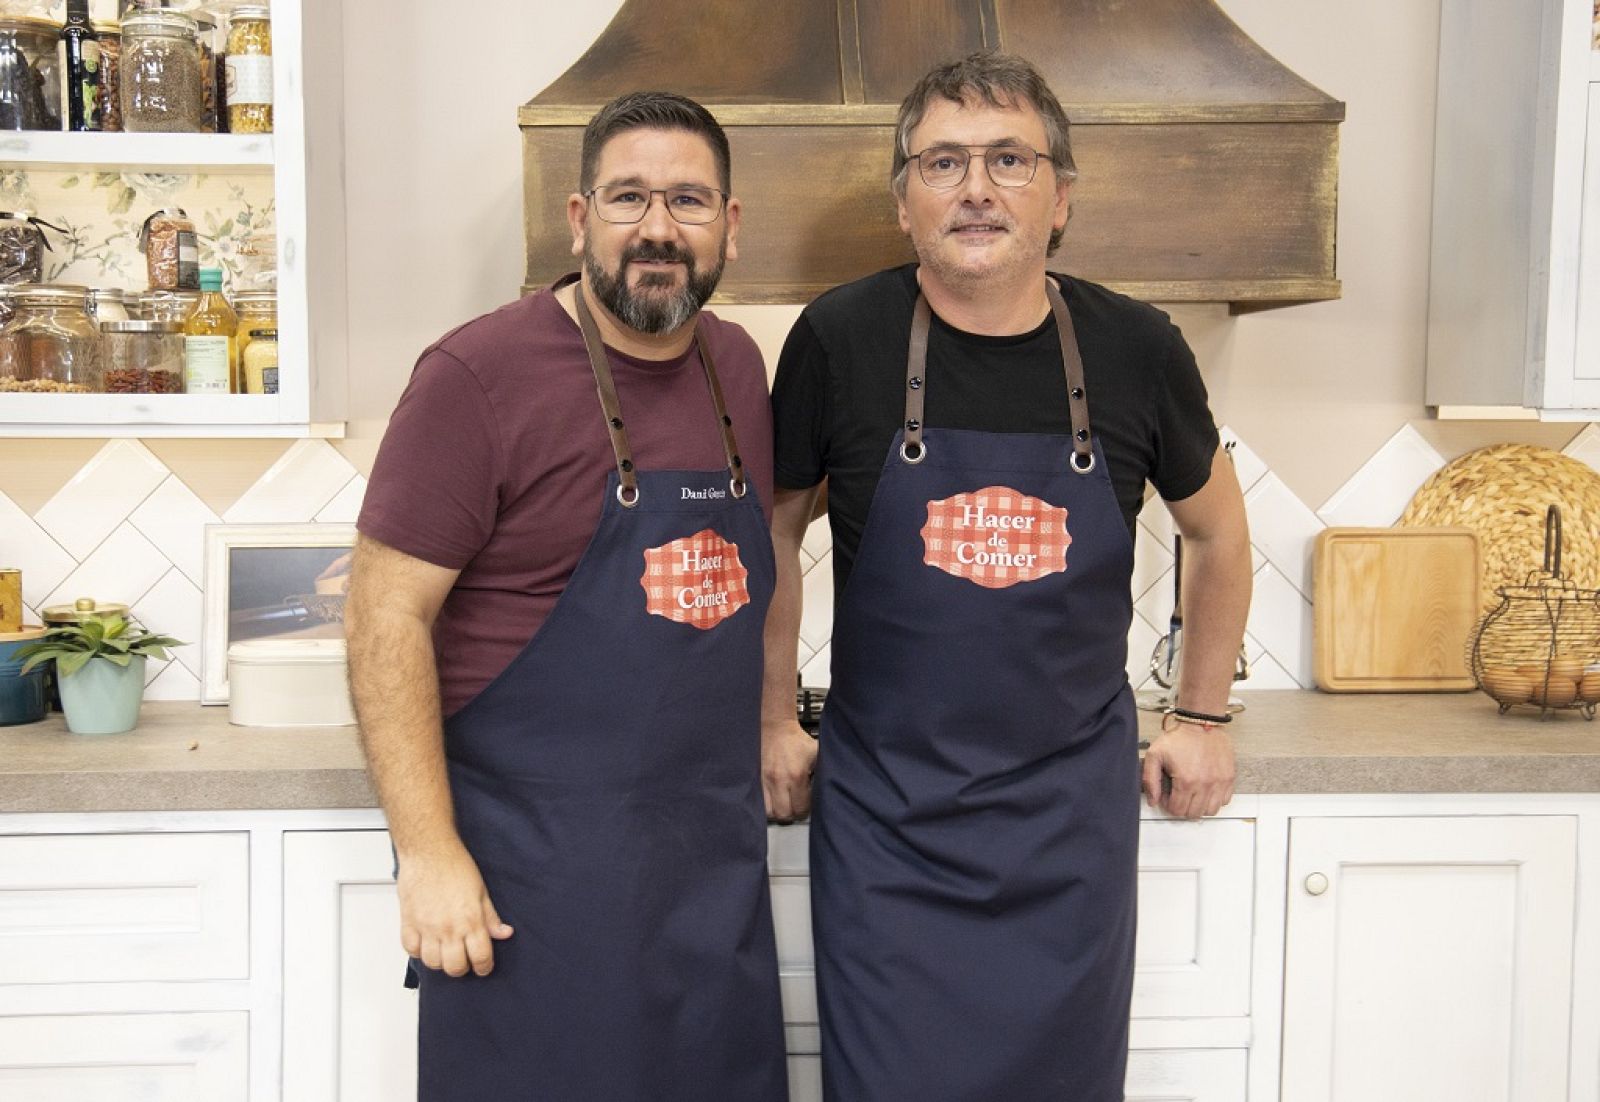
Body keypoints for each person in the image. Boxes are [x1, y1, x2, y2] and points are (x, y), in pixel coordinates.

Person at [760, 51, 1253, 1101]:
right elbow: (772, 532)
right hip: (887, 823)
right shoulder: (839, 338)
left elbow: (1217, 535)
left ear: (1060, 197)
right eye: (941, 161)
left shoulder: (1136, 347)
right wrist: (770, 719)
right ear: (903, 202)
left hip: (1064, 826)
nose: (974, 187)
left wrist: (1202, 715)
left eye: (1008, 160)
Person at [346, 91, 789, 1102]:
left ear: (729, 224)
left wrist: (774, 720)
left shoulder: (736, 368)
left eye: (687, 198)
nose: (658, 228)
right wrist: (427, 852)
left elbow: (758, 573)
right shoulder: (477, 374)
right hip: (533, 894)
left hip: (709, 888)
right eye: (628, 197)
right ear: (579, 219)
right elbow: (383, 615)